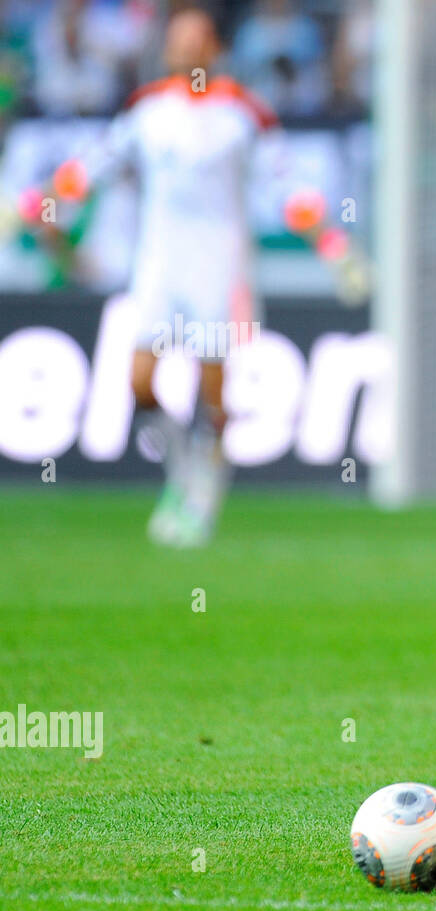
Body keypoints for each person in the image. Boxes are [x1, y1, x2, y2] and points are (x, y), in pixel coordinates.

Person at [53, 8, 277, 546]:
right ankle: (181, 475)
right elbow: (95, 164)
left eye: (195, 40)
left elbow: (287, 184)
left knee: (214, 391)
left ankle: (206, 491)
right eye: (177, 41)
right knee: (138, 380)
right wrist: (47, 202)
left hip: (221, 266)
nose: (185, 51)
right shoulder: (149, 109)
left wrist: (333, 242)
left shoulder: (241, 114)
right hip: (159, 262)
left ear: (214, 50)